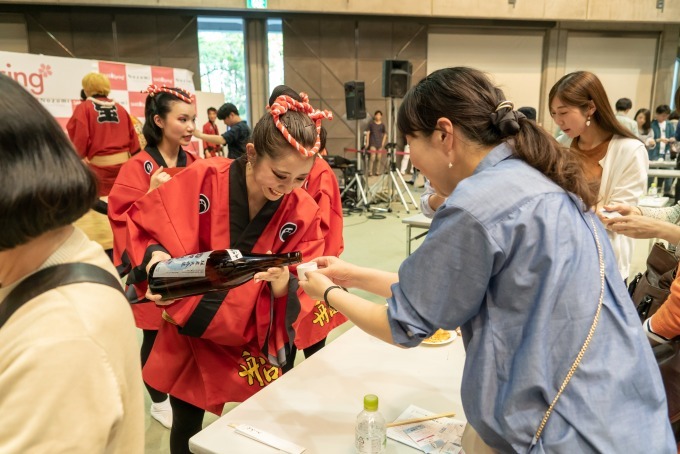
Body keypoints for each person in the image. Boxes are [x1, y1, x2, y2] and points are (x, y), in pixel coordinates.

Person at [298, 67, 674, 453]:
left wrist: (327, 293)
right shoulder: (540, 175)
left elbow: (403, 326)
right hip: (626, 416)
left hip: (562, 432)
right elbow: (442, 287)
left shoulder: (476, 205)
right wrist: (353, 275)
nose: (412, 160)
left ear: (444, 135)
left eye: (411, 142)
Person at [125, 87, 330, 453]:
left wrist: (284, 285)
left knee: (263, 424)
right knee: (186, 424)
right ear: (251, 153)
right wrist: (156, 258)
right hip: (191, 328)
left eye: (300, 179)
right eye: (280, 175)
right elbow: (151, 223)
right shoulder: (204, 176)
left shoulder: (302, 209)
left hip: (253, 332)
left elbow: (307, 270)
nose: (287, 190)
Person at [0, 74, 144, 452]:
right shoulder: (123, 111)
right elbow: (130, 146)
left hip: (98, 182)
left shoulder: (59, 339)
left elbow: (79, 146)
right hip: (115, 184)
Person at [108, 85, 198, 430]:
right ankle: (159, 402)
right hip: (151, 264)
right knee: (153, 335)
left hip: (186, 264)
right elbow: (120, 215)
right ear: (159, 121)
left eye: (191, 119)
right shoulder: (138, 166)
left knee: (184, 332)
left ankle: (183, 394)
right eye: (182, 119)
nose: (190, 127)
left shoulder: (195, 163)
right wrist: (150, 194)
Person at [267, 86, 348, 367]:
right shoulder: (274, 169)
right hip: (283, 272)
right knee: (282, 354)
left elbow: (323, 232)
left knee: (311, 349)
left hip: (308, 270)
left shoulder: (318, 171)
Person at [549, 70, 648, 282]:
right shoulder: (561, 145)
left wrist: (569, 207)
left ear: (591, 108)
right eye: (554, 114)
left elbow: (621, 215)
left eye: (563, 112)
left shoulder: (630, 150)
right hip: (561, 259)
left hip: (603, 263)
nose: (558, 120)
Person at [66, 72, 140, 196]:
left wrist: (78, 156)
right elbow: (134, 142)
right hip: (124, 169)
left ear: (87, 89)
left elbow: (80, 139)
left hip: (99, 172)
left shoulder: (84, 108)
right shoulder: (120, 108)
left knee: (100, 208)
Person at [366, 110, 387, 176]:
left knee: (379, 158)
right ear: (375, 116)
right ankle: (370, 171)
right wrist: (367, 142)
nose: (378, 116)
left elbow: (385, 134)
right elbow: (368, 133)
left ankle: (377, 171)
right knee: (372, 157)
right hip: (372, 143)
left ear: (381, 116)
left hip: (379, 143)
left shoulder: (382, 125)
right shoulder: (371, 124)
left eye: (379, 115)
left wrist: (383, 143)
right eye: (377, 115)